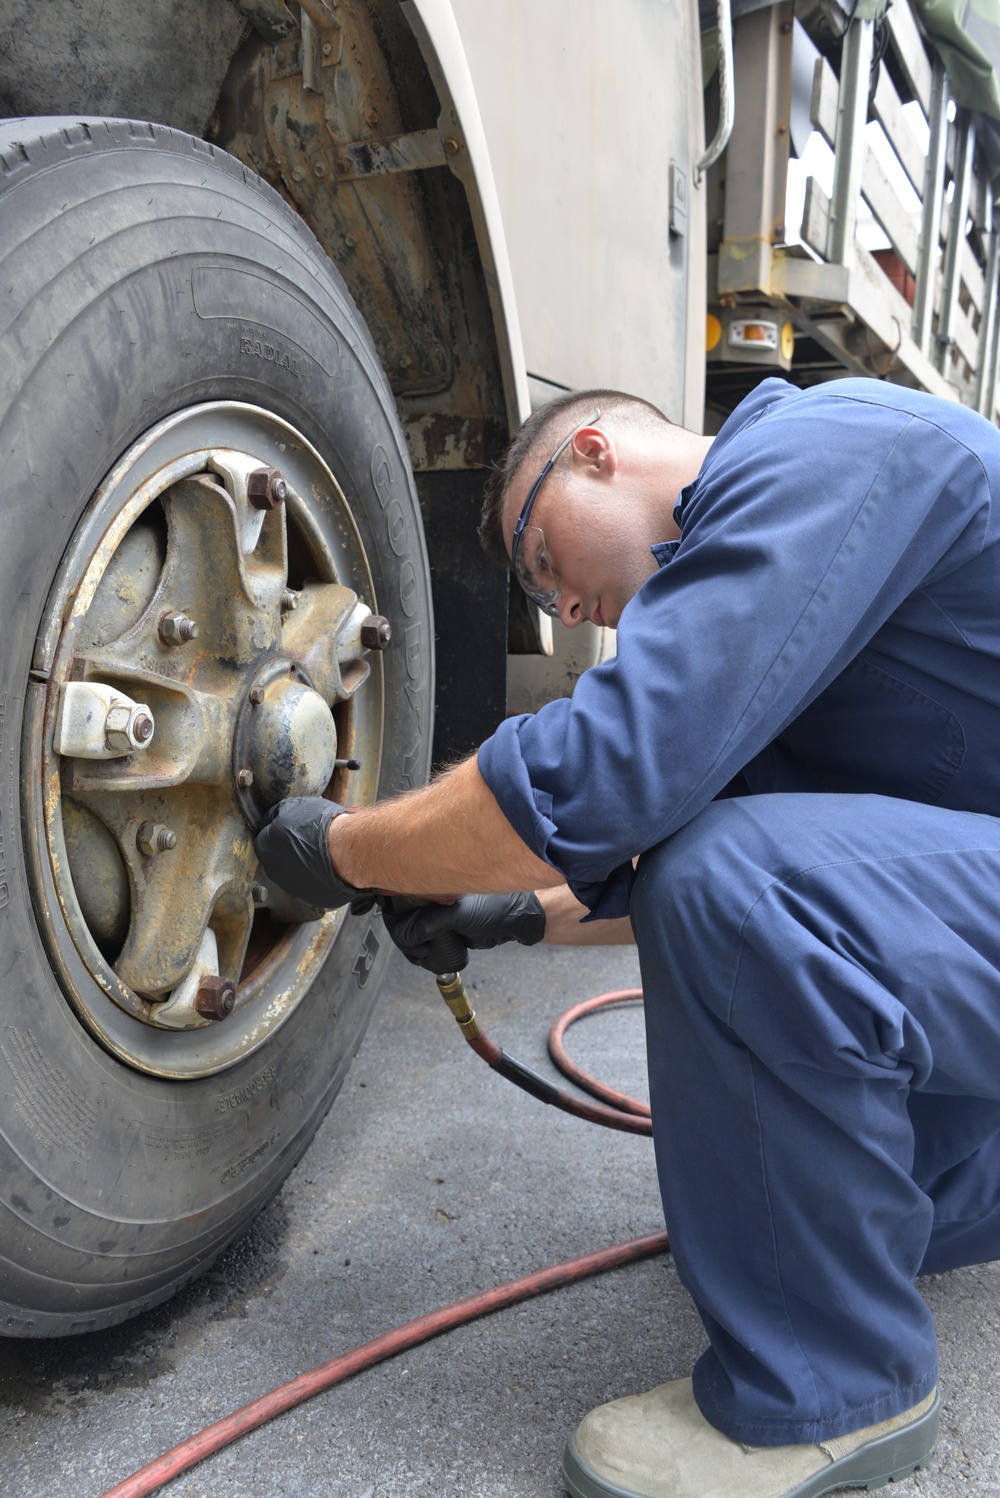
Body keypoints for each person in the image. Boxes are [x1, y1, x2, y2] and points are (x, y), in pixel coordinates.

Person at [256, 377, 1000, 1498]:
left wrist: (350, 847)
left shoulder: (821, 450)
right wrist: (509, 910)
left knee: (735, 884)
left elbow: (624, 783)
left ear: (595, 453)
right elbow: (707, 847)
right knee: (840, 1208)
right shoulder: (798, 579)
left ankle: (828, 1394)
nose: (562, 614)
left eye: (541, 561)